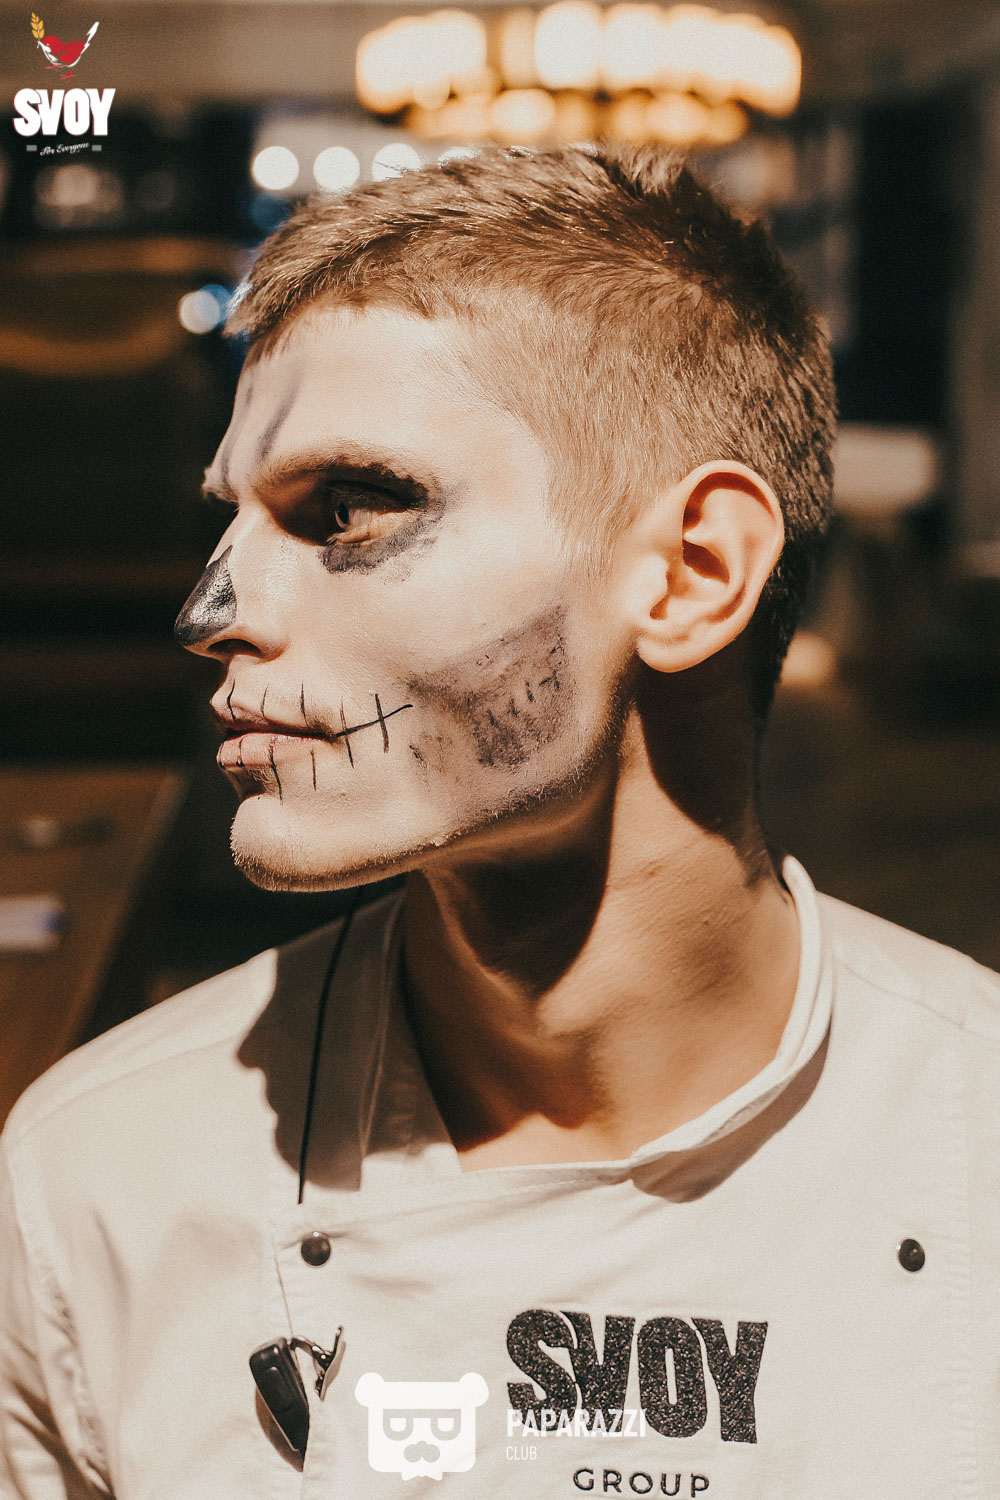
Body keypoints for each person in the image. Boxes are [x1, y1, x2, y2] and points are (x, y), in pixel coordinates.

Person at [1, 144, 997, 1500]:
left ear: (693, 574)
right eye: (232, 521)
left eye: (348, 508)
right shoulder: (98, 1185)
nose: (211, 613)